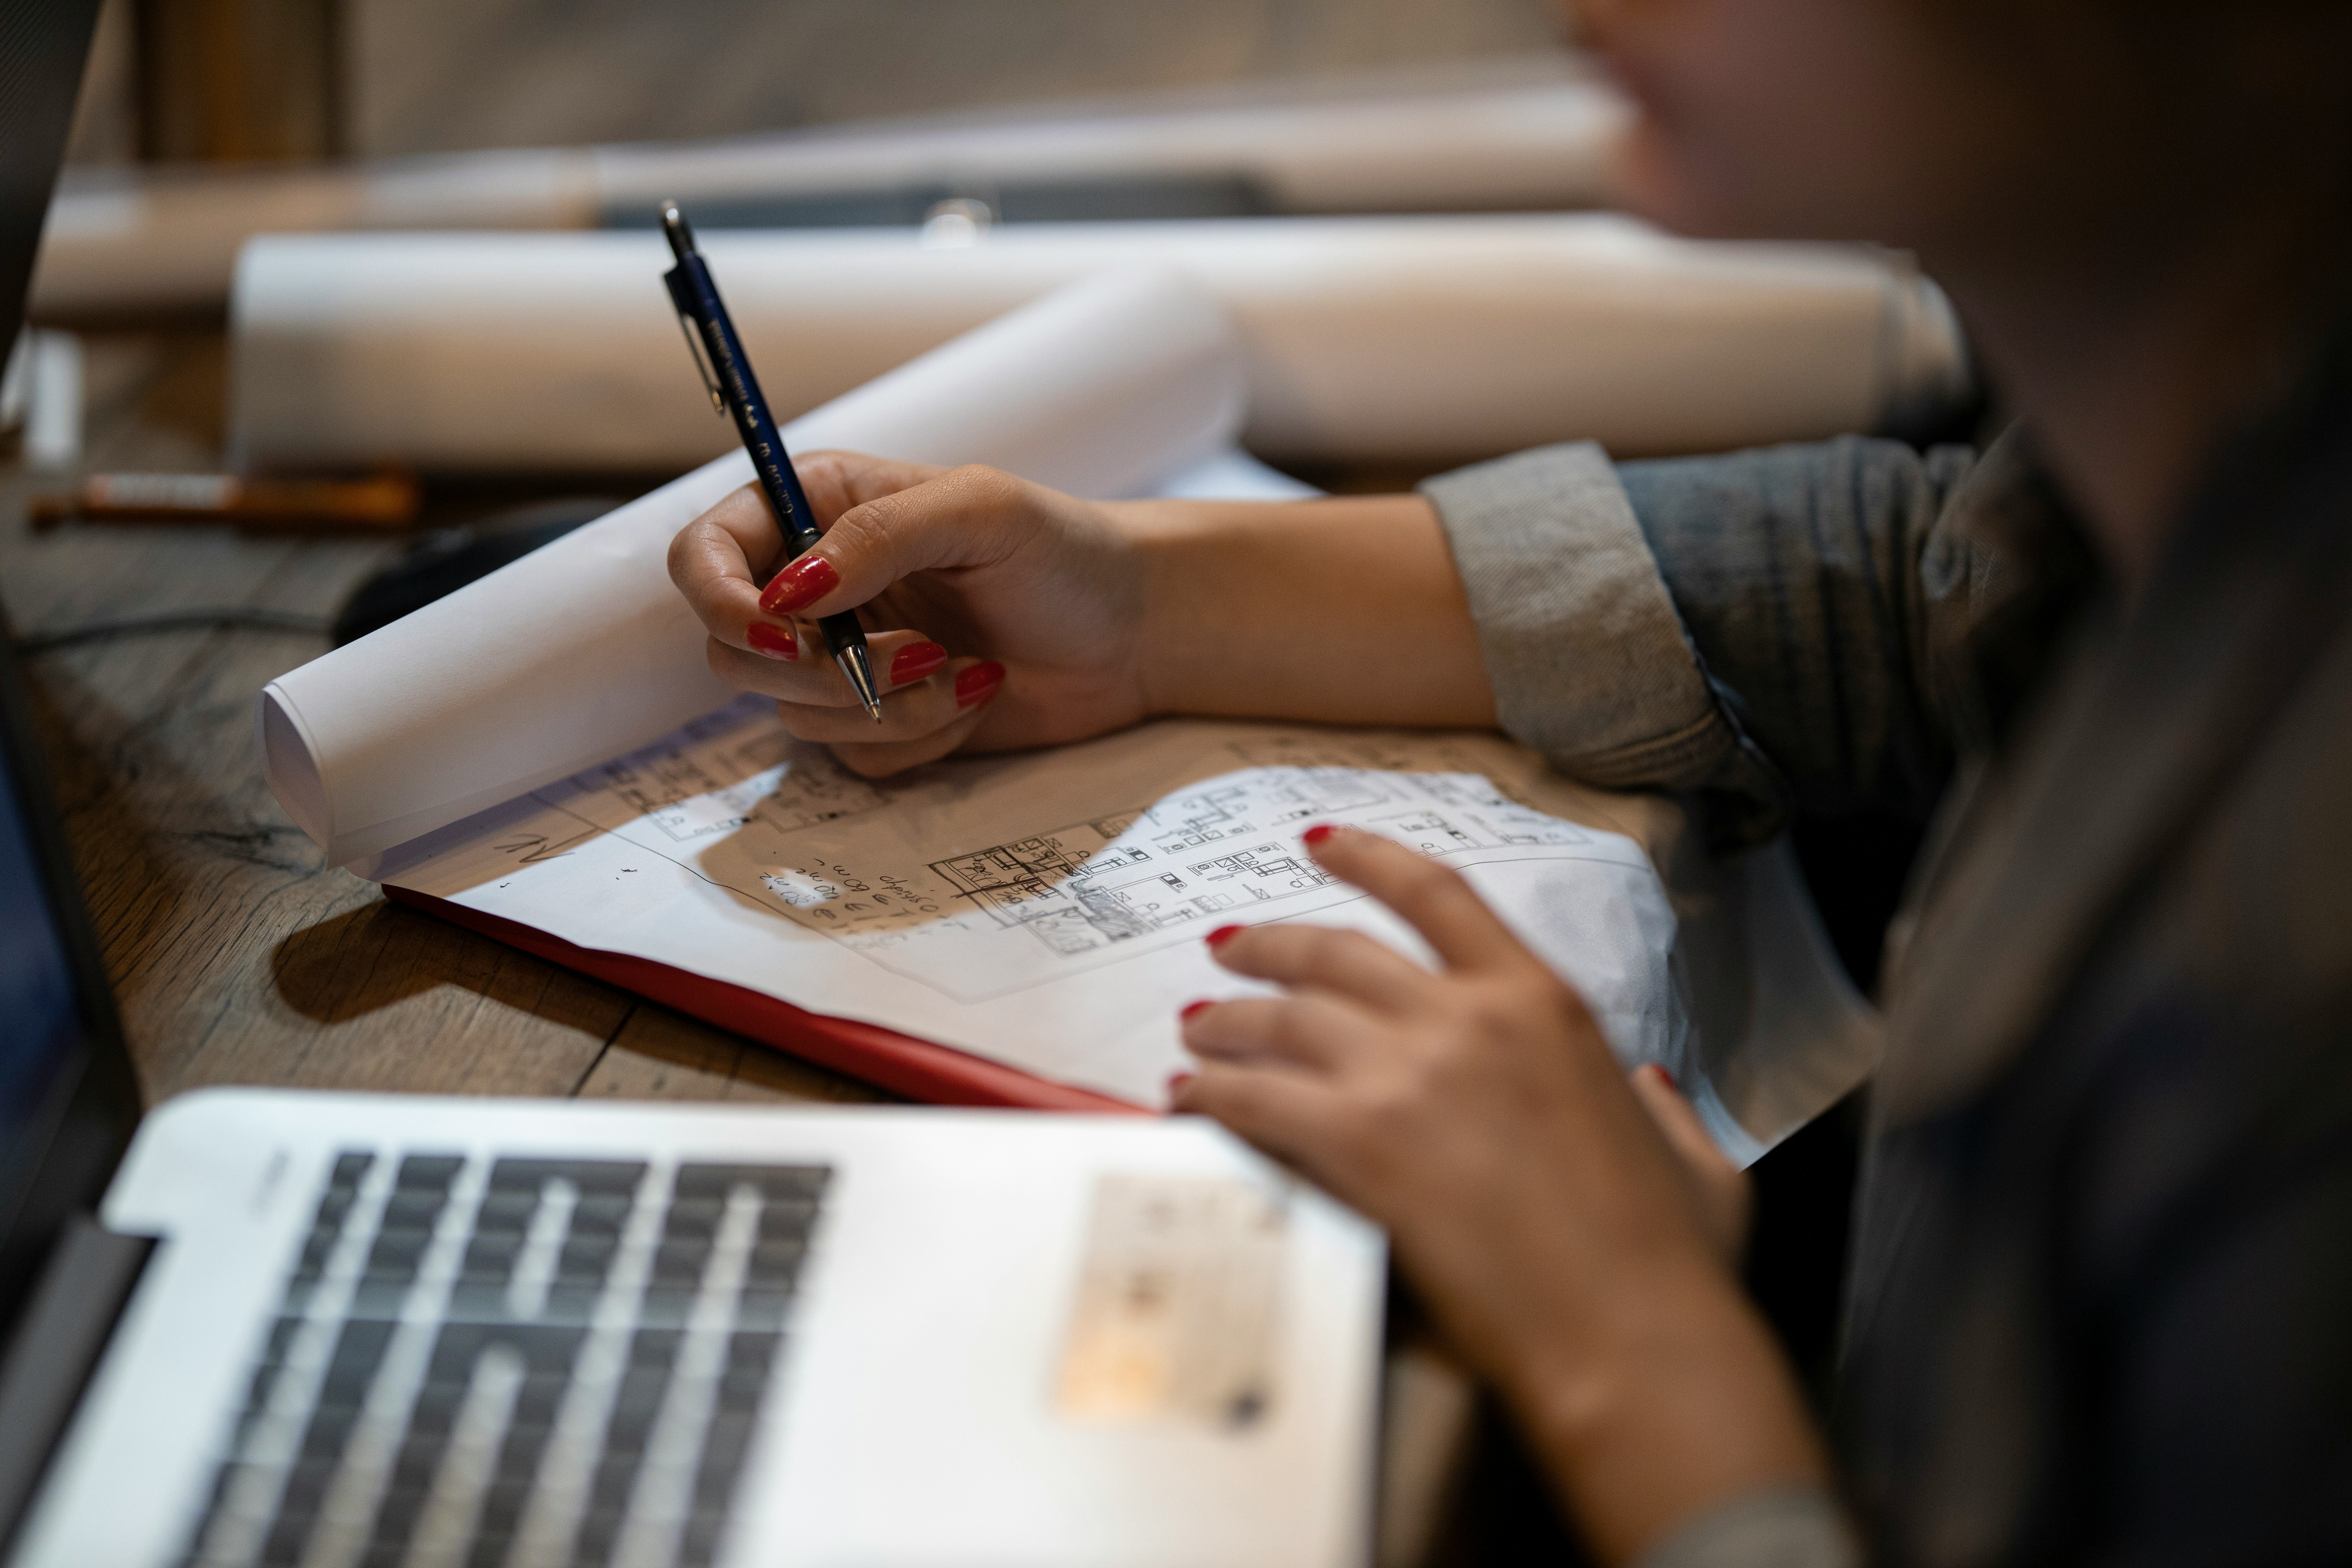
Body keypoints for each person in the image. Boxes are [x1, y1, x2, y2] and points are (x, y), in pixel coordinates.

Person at [667, 1, 2352, 1561]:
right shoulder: (2195, 474)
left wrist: (1641, 1354)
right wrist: (1132, 606)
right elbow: (1929, 585)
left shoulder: (2298, 993)